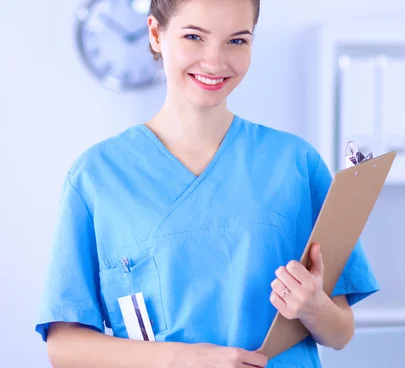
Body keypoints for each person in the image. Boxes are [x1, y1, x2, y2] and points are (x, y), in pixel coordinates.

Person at [35, 0, 380, 367]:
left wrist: (313, 308)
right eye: (194, 37)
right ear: (155, 34)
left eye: (237, 41)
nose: (215, 62)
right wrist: (181, 359)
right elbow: (63, 347)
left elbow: (341, 332)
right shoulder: (97, 176)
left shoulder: (296, 163)